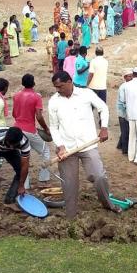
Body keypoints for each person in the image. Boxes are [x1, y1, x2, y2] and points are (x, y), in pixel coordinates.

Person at [48, 71, 120, 218]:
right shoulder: (53, 101)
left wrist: (104, 127)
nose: (58, 90)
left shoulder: (86, 94)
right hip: (67, 149)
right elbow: (54, 127)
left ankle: (108, 204)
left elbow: (103, 108)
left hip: (88, 144)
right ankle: (71, 216)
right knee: (69, 183)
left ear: (69, 82)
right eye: (56, 87)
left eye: (60, 86)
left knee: (99, 176)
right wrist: (60, 145)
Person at [12, 74, 51, 189]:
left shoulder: (16, 95)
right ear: (33, 83)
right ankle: (43, 179)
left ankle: (25, 184)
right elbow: (39, 117)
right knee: (45, 151)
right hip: (29, 129)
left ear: (22, 83)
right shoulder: (36, 96)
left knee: (22, 157)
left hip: (17, 129)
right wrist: (46, 129)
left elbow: (14, 114)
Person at [116, 69, 133, 155]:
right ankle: (125, 150)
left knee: (125, 129)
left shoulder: (128, 86)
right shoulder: (123, 87)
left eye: (132, 76)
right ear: (125, 77)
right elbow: (123, 100)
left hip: (125, 110)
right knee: (125, 130)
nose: (131, 78)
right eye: (129, 76)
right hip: (122, 111)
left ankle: (120, 145)